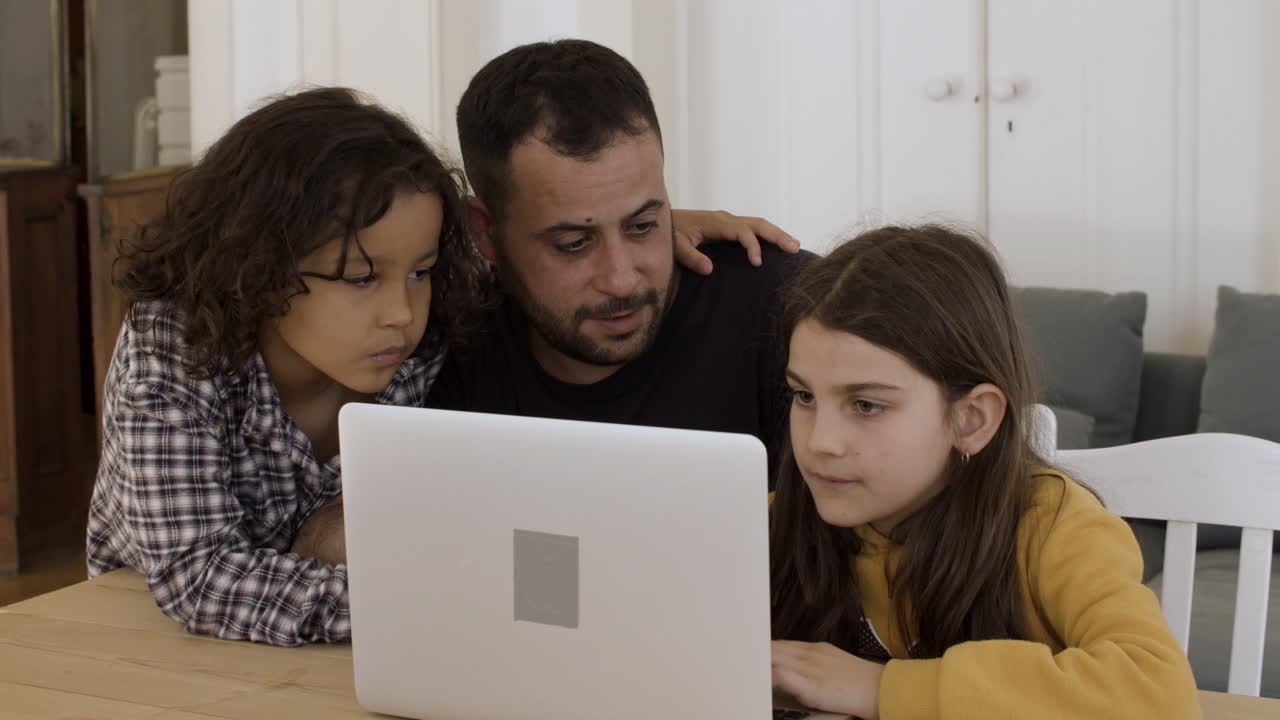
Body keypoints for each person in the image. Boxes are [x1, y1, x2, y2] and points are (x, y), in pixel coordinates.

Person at [87, 85, 797, 645]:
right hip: (139, 636)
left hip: (349, 647)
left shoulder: (431, 326)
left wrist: (653, 229)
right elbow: (199, 578)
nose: (402, 310)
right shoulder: (174, 353)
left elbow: (535, 269)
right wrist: (440, 602)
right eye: (361, 278)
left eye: (422, 270)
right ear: (258, 268)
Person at [768, 225, 1200, 719]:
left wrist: (882, 687)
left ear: (971, 420)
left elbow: (1161, 696)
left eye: (865, 405)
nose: (820, 441)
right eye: (804, 396)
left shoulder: (1055, 526)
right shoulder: (774, 520)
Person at [427, 39, 813, 476]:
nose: (622, 280)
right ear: (485, 232)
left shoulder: (791, 313)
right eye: (574, 244)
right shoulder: (444, 343)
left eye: (642, 226)